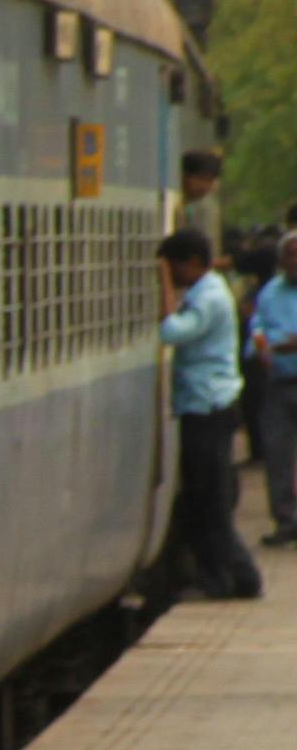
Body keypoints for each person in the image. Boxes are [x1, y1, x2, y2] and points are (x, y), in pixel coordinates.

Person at [158, 230, 263, 605]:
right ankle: (223, 576)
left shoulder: (211, 297)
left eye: (174, 269)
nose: (173, 275)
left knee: (211, 498)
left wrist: (164, 287)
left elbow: (171, 332)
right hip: (201, 406)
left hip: (209, 408)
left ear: (190, 262)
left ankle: (237, 577)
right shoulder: (208, 292)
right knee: (202, 497)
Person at [252, 212, 297, 548]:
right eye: (289, 254)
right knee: (278, 452)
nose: (294, 260)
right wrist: (261, 345)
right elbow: (257, 328)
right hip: (279, 382)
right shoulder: (270, 291)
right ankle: (285, 519)